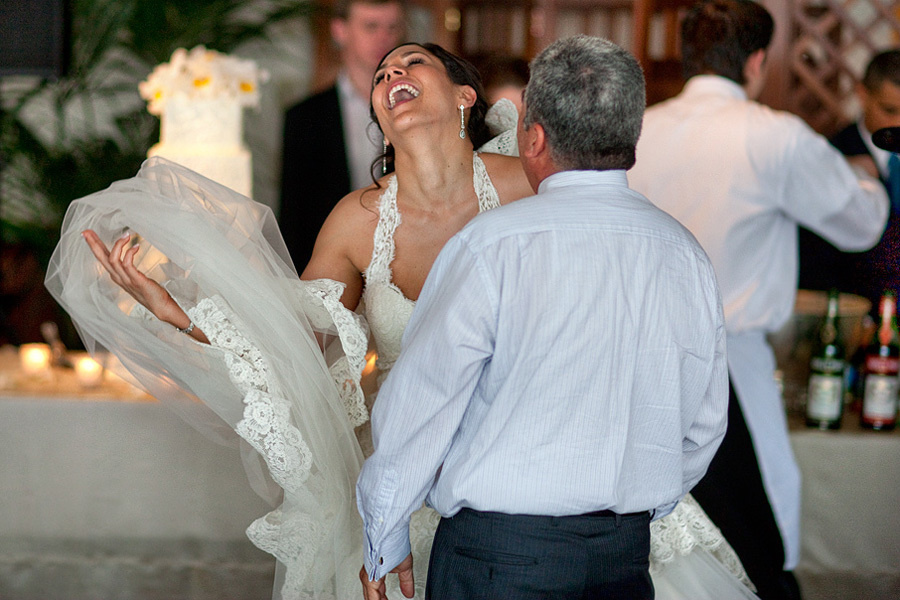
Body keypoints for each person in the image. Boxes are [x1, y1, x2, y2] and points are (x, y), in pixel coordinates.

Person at [51, 41, 758, 600]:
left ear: (463, 96)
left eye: (413, 61)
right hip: (405, 479)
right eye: (384, 72)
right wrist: (180, 311)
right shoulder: (357, 222)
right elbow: (298, 340)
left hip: (535, 475)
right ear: (382, 113)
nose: (393, 72)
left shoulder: (532, 191)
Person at [356, 35, 729, 599]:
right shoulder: (684, 253)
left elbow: (422, 403)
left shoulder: (493, 245)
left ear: (533, 139)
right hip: (621, 556)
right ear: (630, 139)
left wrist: (384, 535)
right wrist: (622, 505)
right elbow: (703, 422)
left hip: (498, 556)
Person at [627, 2, 890, 599]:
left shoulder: (640, 128)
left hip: (632, 360)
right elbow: (862, 223)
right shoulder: (772, 136)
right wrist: (865, 174)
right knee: (761, 525)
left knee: (652, 524)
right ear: (756, 61)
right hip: (730, 361)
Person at [279, 0, 405, 271]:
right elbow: (294, 218)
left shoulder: (413, 109)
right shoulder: (303, 117)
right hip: (328, 269)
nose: (383, 38)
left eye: (392, 27)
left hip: (403, 265)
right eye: (371, 26)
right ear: (340, 30)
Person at [799, 49, 900, 311]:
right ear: (863, 94)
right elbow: (816, 261)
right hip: (856, 322)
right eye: (890, 110)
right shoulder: (832, 156)